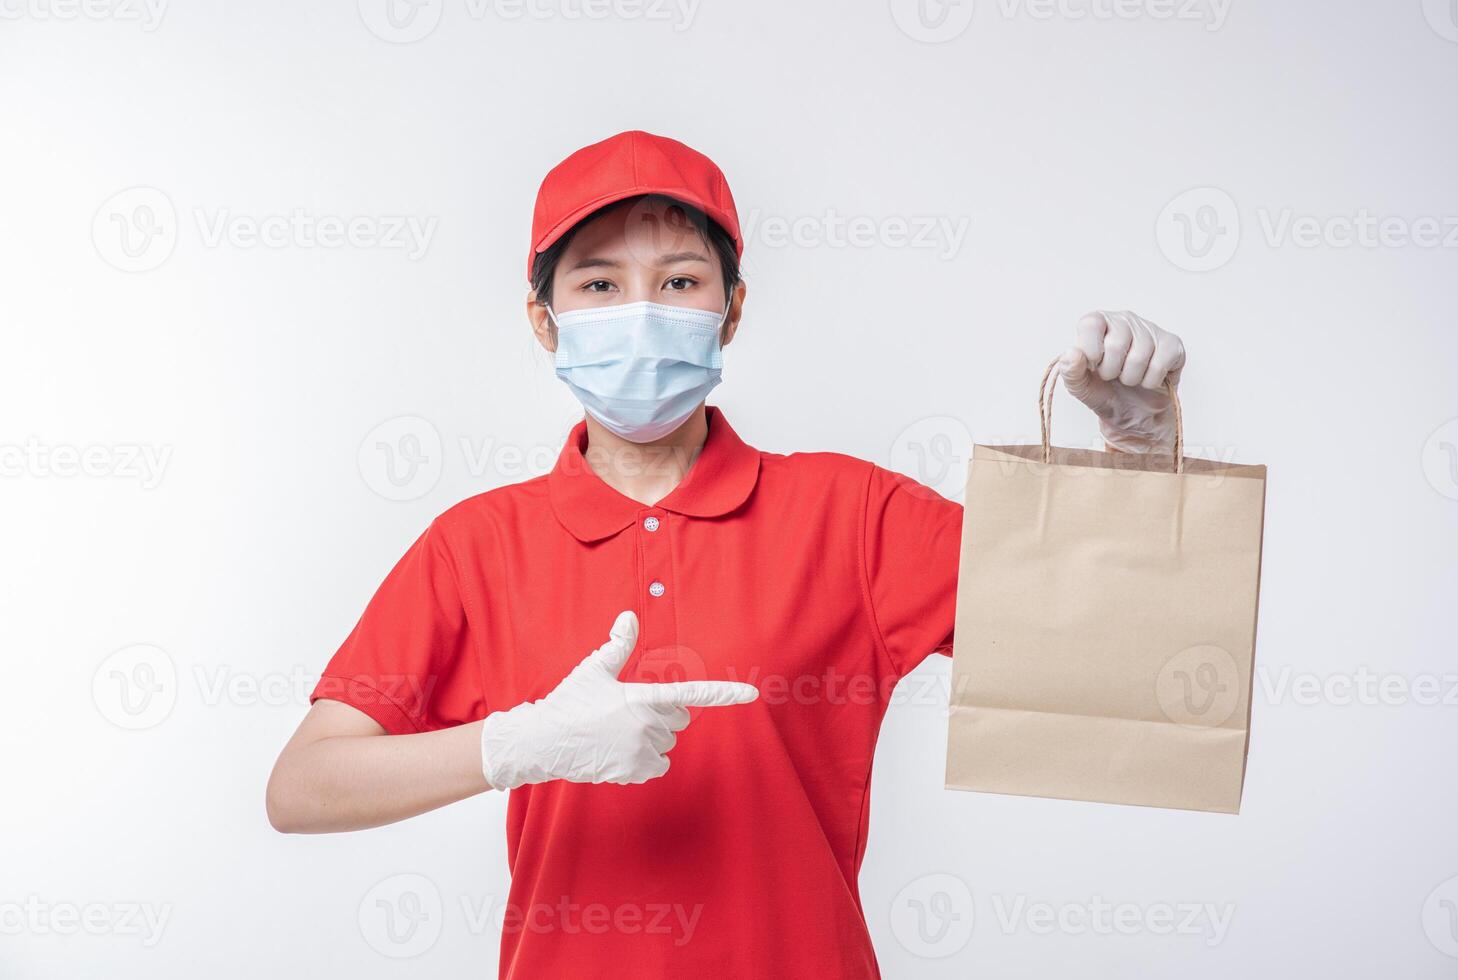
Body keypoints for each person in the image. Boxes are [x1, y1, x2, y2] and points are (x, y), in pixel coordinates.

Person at [266, 130, 1187, 979]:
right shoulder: (479, 544)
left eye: (678, 282)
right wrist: (520, 743)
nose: (641, 311)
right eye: (597, 285)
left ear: (731, 310)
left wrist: (1138, 455)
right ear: (544, 322)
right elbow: (303, 787)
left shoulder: (848, 513)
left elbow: (1109, 649)